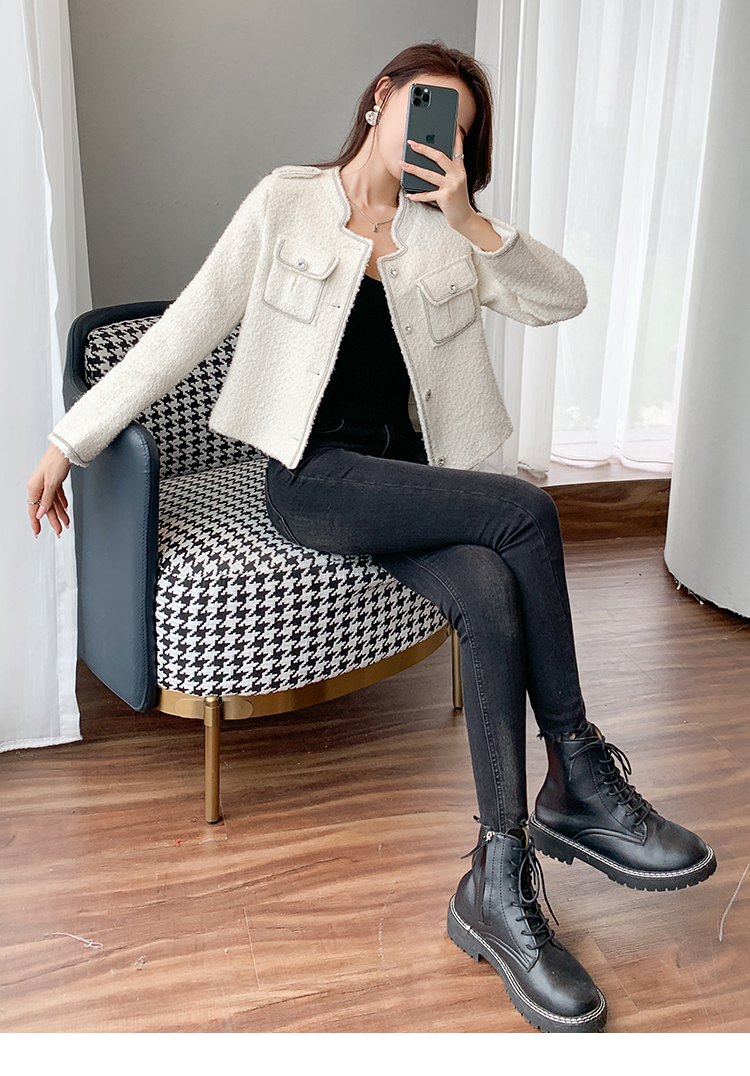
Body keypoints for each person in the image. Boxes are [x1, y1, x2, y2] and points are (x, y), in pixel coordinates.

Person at [27, 42, 716, 1034]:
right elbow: (181, 331)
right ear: (383, 96)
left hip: (411, 487)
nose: (440, 136)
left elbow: (563, 298)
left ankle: (498, 879)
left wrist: (472, 220)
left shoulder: (446, 237)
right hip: (314, 481)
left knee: (488, 587)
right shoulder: (285, 204)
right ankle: (577, 770)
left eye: (460, 131)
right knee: (526, 510)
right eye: (429, 106)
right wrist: (68, 441)